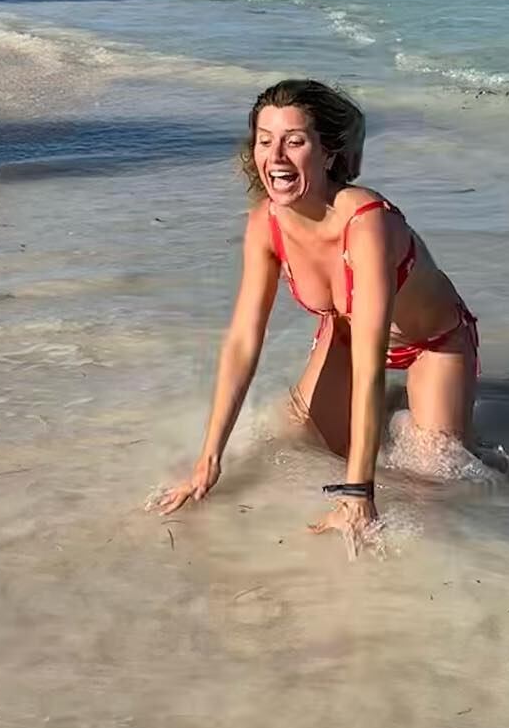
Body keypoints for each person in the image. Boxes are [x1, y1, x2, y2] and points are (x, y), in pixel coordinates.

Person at [148, 79, 479, 552]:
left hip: (432, 345)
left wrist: (358, 494)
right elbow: (243, 341)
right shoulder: (265, 224)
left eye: (295, 141)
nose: (276, 156)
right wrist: (209, 459)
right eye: (265, 141)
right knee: (297, 439)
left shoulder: (368, 223)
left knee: (434, 479)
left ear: (328, 154)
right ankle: (378, 429)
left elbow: (370, 367)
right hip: (344, 333)